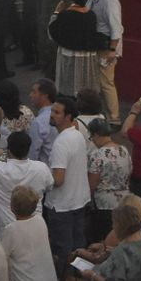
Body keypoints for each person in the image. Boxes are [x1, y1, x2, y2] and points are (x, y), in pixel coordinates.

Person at [44, 97, 90, 262]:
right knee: (78, 252)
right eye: (52, 111)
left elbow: (58, 179)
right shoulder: (77, 135)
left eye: (57, 112)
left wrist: (41, 176)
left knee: (63, 255)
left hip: (61, 206)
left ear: (68, 116)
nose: (52, 115)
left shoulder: (61, 142)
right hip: (78, 201)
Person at [85, 118, 131, 242]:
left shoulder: (98, 155)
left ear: (95, 134)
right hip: (124, 201)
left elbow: (92, 184)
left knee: (103, 238)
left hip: (104, 205)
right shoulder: (124, 151)